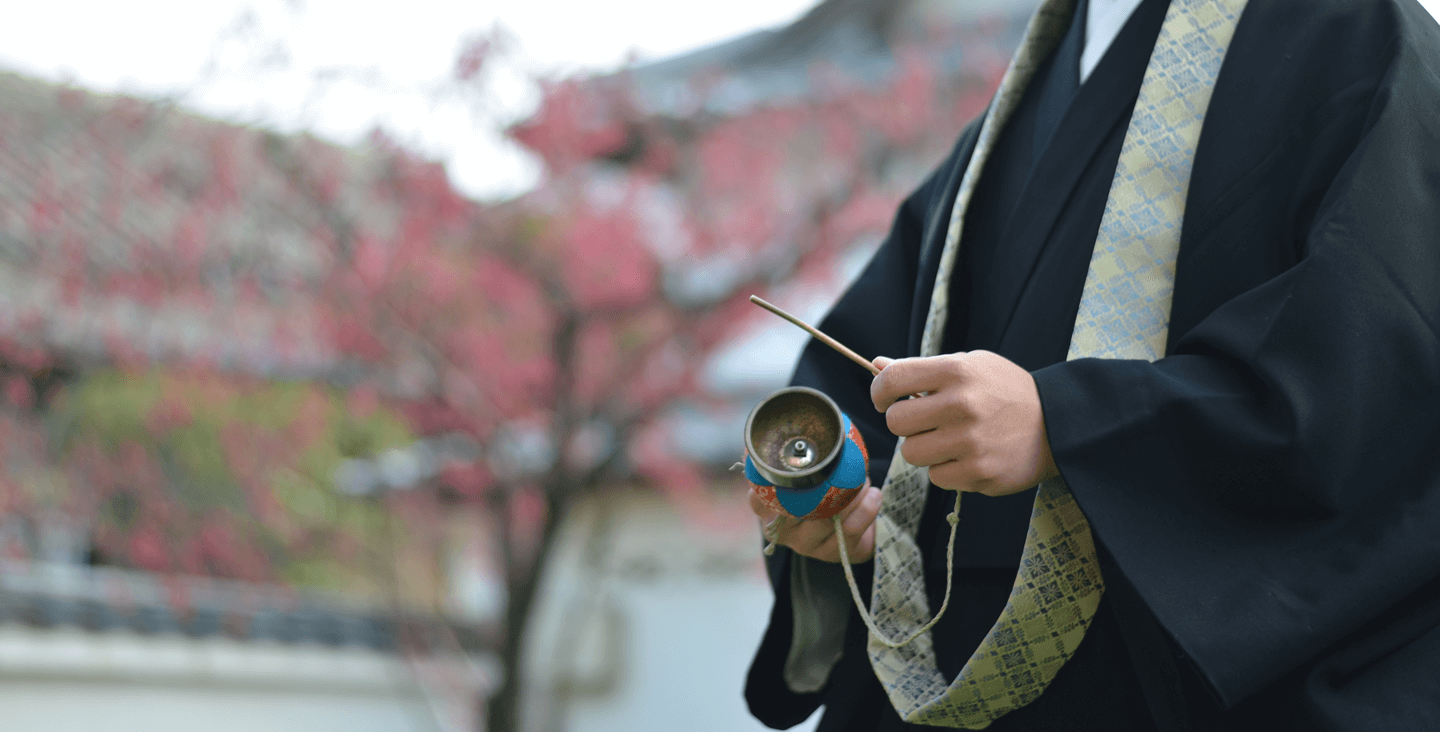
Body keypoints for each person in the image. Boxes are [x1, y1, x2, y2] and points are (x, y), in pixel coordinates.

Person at [743, 0, 1440, 730]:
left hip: (1157, 686)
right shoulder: (1031, 91)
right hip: (945, 664)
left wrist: (1066, 423)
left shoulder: (1356, 34)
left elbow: (1375, 383)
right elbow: (862, 369)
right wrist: (838, 498)